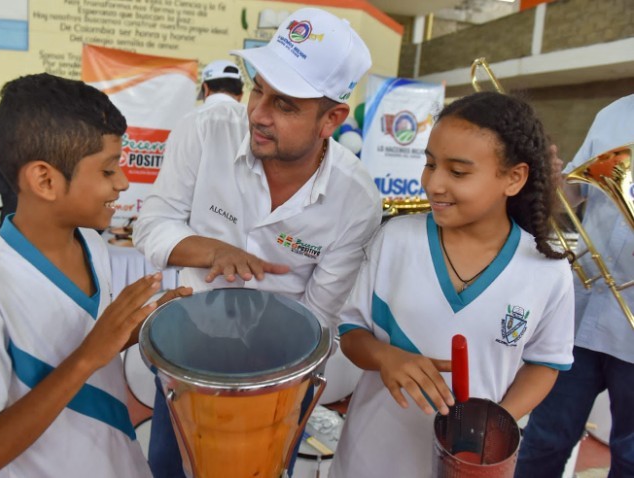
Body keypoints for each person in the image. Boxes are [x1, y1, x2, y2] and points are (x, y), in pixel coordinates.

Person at [133, 7, 382, 477]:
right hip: (187, 354)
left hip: (279, 376)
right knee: (169, 466)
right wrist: (213, 251)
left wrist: (265, 384)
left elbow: (321, 317)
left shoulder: (356, 199)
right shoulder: (205, 131)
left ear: (331, 119)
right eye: (258, 89)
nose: (258, 114)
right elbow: (152, 225)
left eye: (285, 104)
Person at [0, 73, 191, 477]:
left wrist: (133, 331)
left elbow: (91, 345)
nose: (123, 183)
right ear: (45, 180)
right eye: (108, 171)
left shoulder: (93, 244)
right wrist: (88, 356)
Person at [330, 91, 576, 478]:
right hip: (372, 453)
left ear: (514, 178)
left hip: (473, 465)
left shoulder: (546, 271)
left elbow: (545, 363)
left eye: (458, 172)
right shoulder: (396, 240)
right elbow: (350, 332)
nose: (434, 184)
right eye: (430, 164)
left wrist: (493, 423)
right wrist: (385, 357)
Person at [516, 94, 634, 478]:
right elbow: (574, 195)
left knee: (631, 455)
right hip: (582, 312)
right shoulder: (613, 114)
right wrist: (553, 180)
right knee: (545, 438)